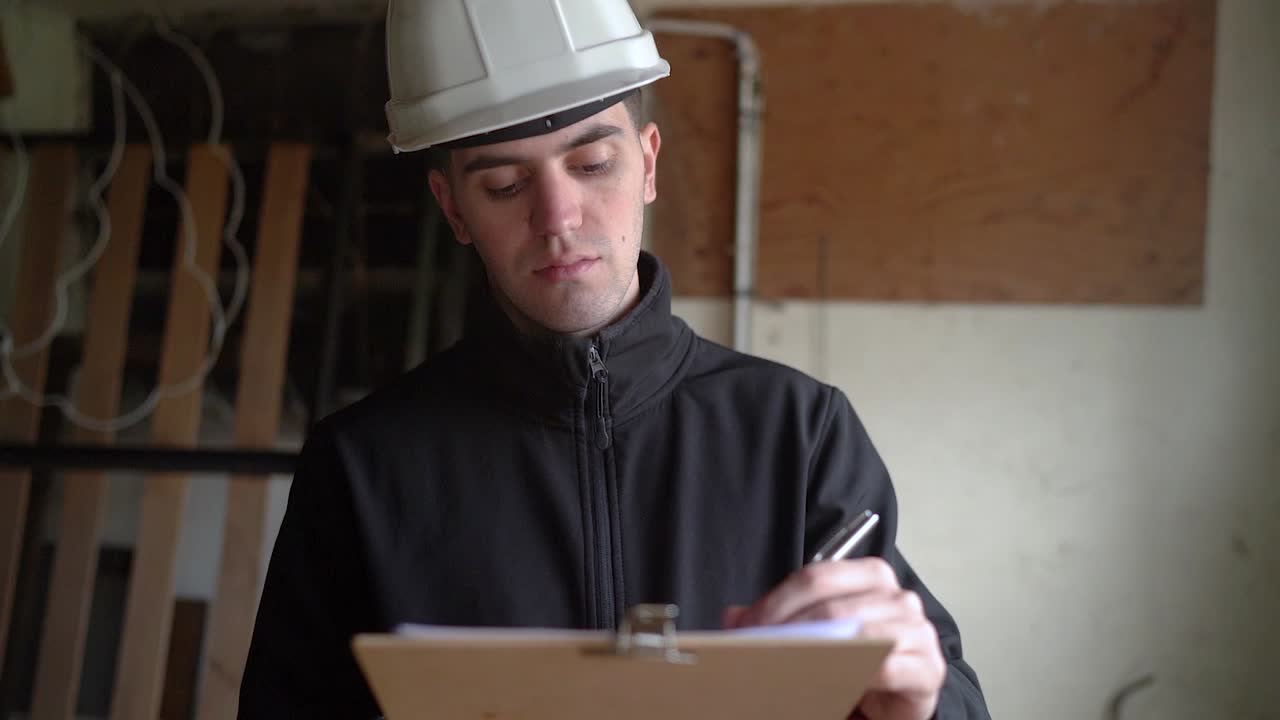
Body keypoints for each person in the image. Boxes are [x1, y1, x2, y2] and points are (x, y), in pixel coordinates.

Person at [238, 1, 990, 718]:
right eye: (504, 185)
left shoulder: (799, 430)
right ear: (454, 209)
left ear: (649, 163)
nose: (558, 218)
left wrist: (922, 703)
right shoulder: (361, 467)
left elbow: (951, 697)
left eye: (593, 163)